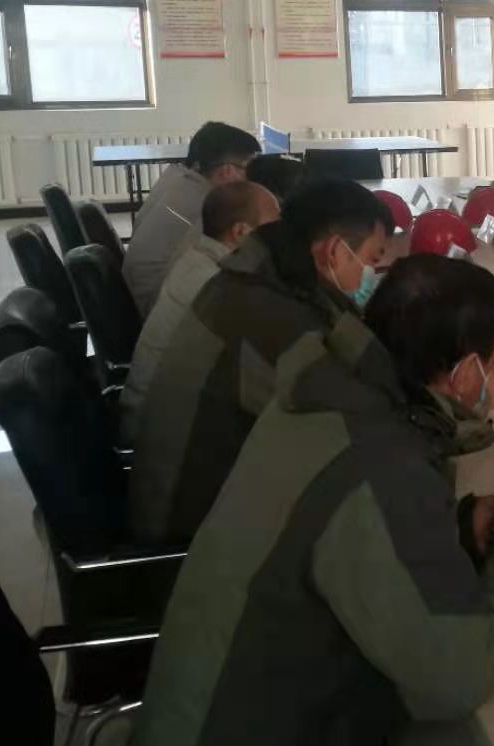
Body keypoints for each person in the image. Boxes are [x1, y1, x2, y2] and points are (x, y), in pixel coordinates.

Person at [129, 255, 494, 746]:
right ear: (466, 372)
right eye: (492, 363)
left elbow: (347, 536)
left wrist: (455, 528)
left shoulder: (328, 396)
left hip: (209, 728)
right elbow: (456, 677)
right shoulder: (381, 461)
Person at [126, 179, 402, 547]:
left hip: (194, 501)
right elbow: (353, 425)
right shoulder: (271, 318)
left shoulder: (253, 278)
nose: (371, 275)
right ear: (336, 251)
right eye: (373, 260)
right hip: (192, 541)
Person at [118, 182, 281, 447]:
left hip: (158, 417)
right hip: (162, 437)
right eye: (275, 224)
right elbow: (270, 376)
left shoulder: (199, 258)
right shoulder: (217, 284)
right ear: (241, 232)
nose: (282, 234)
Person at [123, 121, 259, 316]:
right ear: (227, 171)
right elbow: (235, 259)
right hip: (155, 306)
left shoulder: (179, 178)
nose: (252, 177)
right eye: (249, 168)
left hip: (139, 297)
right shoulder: (206, 207)